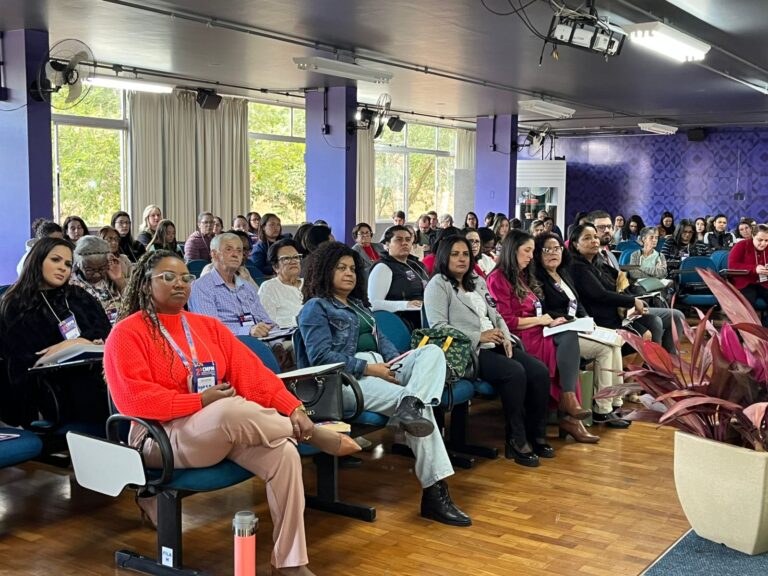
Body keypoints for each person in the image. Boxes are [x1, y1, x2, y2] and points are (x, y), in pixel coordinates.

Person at [104, 249, 357, 576]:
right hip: (159, 435)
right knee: (227, 409)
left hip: (216, 429)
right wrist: (200, 402)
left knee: (283, 453)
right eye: (168, 277)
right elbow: (134, 399)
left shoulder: (206, 327)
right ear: (144, 284)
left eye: (185, 278)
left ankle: (290, 562)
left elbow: (251, 374)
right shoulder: (126, 333)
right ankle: (312, 433)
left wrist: (292, 405)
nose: (180, 284)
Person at [298, 242, 471, 526]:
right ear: (324, 271)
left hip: (379, 367)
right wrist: (370, 368)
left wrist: (392, 366)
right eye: (341, 268)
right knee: (422, 410)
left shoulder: (358, 306)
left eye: (353, 268)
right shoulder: (315, 308)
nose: (349, 274)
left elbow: (386, 345)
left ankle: (410, 405)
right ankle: (435, 494)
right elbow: (320, 358)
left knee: (432, 352)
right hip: (344, 380)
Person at [424, 236, 551, 466]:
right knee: (514, 372)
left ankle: (536, 434)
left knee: (539, 371)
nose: (462, 258)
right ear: (444, 256)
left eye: (465, 254)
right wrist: (478, 337)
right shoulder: (438, 285)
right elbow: (439, 329)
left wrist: (505, 335)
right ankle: (516, 439)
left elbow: (496, 314)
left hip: (496, 343)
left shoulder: (477, 281)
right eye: (455, 254)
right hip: (468, 351)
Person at [487, 231, 595, 440]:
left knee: (569, 337)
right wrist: (541, 320)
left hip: (538, 328)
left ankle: (569, 404)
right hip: (520, 335)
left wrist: (551, 321)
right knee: (566, 352)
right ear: (512, 251)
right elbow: (506, 320)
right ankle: (569, 411)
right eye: (527, 251)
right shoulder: (497, 279)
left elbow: (535, 310)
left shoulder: (522, 275)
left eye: (532, 251)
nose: (530, 256)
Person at [0, 237, 111, 427]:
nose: (63, 268)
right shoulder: (14, 304)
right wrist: (74, 345)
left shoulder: (77, 295)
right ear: (37, 260)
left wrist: (77, 343)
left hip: (91, 371)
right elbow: (21, 359)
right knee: (96, 393)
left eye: (68, 264)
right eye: (55, 260)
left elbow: (106, 335)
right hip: (45, 384)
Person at [534, 233, 624, 433]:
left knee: (616, 340)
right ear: (538, 253)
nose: (553, 253)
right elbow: (543, 309)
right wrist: (573, 321)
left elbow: (577, 302)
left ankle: (616, 402)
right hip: (559, 330)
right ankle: (603, 408)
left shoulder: (564, 273)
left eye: (557, 248)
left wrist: (587, 321)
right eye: (547, 249)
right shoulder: (537, 277)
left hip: (578, 325)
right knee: (605, 350)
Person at [568, 224, 686, 355]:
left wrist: (633, 303)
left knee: (676, 315)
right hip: (607, 316)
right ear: (575, 244)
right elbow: (601, 294)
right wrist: (632, 301)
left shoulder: (600, 262)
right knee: (654, 322)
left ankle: (667, 362)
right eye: (587, 238)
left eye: (595, 237)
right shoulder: (577, 267)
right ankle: (652, 368)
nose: (594, 240)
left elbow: (621, 285)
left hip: (623, 309)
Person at [188, 233, 275, 338]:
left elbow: (267, 321)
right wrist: (248, 330)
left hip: (263, 341)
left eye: (239, 250)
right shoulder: (201, 287)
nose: (235, 254)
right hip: (228, 345)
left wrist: (277, 341)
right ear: (214, 254)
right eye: (229, 249)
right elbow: (210, 328)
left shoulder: (247, 287)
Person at [367, 225, 429, 329]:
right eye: (398, 239)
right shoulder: (383, 267)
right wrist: (406, 305)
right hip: (399, 325)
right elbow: (373, 304)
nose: (404, 243)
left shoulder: (415, 265)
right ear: (387, 244)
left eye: (408, 240)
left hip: (422, 320)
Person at [70, 236, 125, 324]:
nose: (97, 274)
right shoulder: (72, 285)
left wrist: (119, 280)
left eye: (101, 268)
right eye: (89, 270)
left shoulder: (112, 275)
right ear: (79, 264)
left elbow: (132, 304)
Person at [728, 224, 768, 325]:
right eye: (760, 240)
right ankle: (741, 334)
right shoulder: (741, 245)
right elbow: (732, 265)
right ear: (753, 236)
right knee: (746, 304)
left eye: (766, 241)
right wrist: (754, 269)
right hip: (745, 283)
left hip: (765, 283)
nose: (763, 244)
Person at [258, 239, 303, 328]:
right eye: (286, 258)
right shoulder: (269, 288)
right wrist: (298, 320)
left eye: (296, 257)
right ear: (275, 267)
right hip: (287, 338)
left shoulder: (310, 284)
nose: (293, 261)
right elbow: (267, 323)